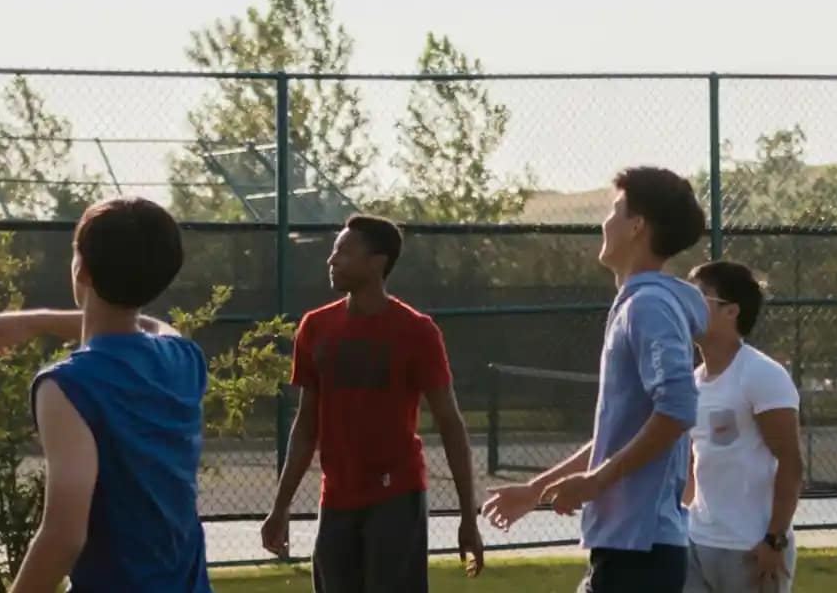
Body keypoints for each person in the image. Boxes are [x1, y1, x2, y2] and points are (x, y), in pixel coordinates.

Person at [0, 196, 214, 593]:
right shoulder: (185, 357)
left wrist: (32, 321)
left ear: (81, 269)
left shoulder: (67, 387)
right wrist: (34, 322)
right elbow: (150, 323)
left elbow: (64, 537)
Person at [484, 166, 709, 592]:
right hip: (628, 547)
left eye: (615, 210)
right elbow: (618, 434)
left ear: (637, 226)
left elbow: (678, 410)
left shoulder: (650, 309)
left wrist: (596, 481)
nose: (605, 221)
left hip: (642, 550)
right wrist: (538, 489)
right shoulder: (638, 305)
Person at [259, 214, 484, 592]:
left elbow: (450, 422)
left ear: (377, 262)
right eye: (333, 251)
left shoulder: (417, 330)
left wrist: (468, 516)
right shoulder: (315, 327)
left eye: (343, 252)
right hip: (337, 500)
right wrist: (280, 508)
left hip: (397, 497)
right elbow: (305, 426)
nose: (332, 260)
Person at [683, 260, 802, 593]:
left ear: (731, 311)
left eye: (698, 296)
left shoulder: (762, 374)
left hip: (752, 549)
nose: (684, 305)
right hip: (697, 543)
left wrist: (774, 540)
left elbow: (791, 464)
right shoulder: (692, 382)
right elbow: (695, 463)